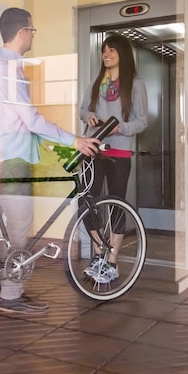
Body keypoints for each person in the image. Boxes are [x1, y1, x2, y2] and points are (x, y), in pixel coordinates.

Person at [0, 7, 100, 316]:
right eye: (32, 30)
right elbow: (30, 120)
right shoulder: (10, 68)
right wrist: (73, 140)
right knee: (19, 226)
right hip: (13, 158)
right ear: (22, 33)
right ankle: (11, 295)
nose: (33, 35)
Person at [80, 33, 148, 284]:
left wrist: (121, 128)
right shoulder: (97, 81)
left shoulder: (135, 84)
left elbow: (142, 121)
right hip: (94, 149)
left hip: (119, 152)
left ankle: (112, 262)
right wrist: (88, 117)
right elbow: (83, 108)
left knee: (117, 204)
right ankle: (99, 253)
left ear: (122, 55)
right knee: (86, 201)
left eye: (112, 51)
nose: (106, 54)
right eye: (104, 50)